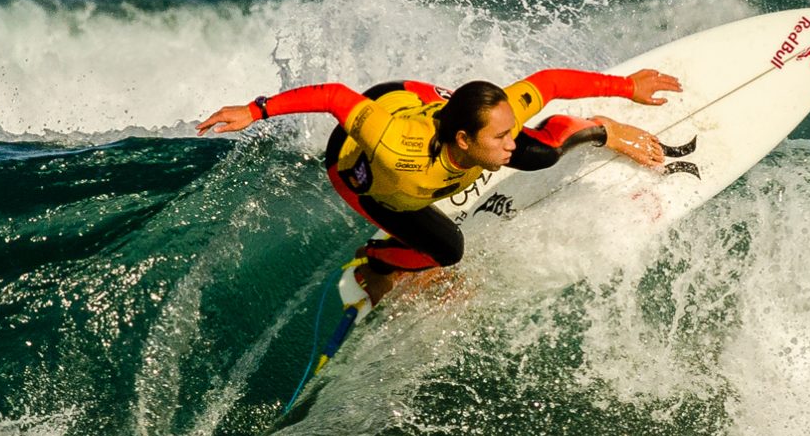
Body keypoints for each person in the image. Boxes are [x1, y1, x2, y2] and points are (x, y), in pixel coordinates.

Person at [197, 66, 682, 305]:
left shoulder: (492, 128)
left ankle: (598, 127)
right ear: (466, 139)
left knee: (545, 152)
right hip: (363, 159)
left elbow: (549, 81)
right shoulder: (391, 146)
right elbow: (332, 96)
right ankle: (379, 261)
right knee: (447, 250)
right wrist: (254, 111)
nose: (511, 140)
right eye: (500, 135)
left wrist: (626, 87)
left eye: (510, 129)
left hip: (435, 112)